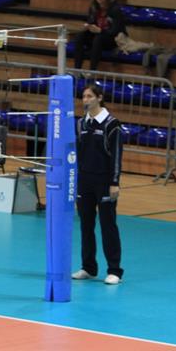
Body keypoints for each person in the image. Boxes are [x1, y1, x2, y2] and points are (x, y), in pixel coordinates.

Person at [71, 83, 124, 282]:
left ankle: (114, 270)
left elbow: (117, 155)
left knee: (108, 225)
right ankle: (88, 267)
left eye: (89, 96)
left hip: (104, 181)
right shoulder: (80, 124)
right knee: (86, 224)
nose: (86, 100)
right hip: (85, 180)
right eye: (83, 97)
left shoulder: (112, 124)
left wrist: (114, 182)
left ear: (99, 98)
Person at [74, 0, 126, 72]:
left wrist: (100, 31)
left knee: (99, 38)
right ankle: (76, 70)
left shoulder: (115, 10)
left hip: (113, 40)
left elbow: (115, 31)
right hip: (98, 36)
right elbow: (92, 22)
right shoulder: (94, 7)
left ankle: (92, 71)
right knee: (80, 35)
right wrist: (88, 27)